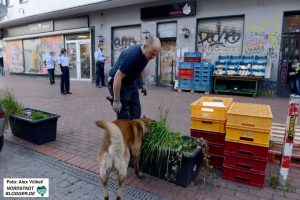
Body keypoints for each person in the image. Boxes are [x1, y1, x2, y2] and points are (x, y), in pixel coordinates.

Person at [108, 36, 161, 119]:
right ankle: (122, 127)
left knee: (136, 114)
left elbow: (141, 68)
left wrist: (143, 84)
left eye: (155, 55)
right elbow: (117, 77)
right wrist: (117, 101)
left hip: (131, 81)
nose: (153, 57)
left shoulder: (146, 55)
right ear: (145, 46)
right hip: (118, 82)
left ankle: (133, 130)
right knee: (124, 115)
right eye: (152, 54)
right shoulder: (131, 56)